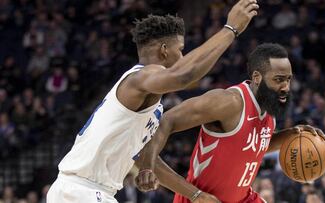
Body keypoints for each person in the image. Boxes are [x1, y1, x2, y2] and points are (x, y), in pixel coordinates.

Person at [46, 0, 260, 202]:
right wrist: (230, 29)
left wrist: (195, 195)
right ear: (164, 50)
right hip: (83, 191)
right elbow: (184, 76)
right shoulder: (139, 78)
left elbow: (142, 157)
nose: (183, 57)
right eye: (181, 50)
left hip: (84, 190)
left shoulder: (148, 98)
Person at [135, 43, 325, 203]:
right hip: (202, 199)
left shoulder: (269, 108)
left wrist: (293, 134)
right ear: (257, 77)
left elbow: (248, 146)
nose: (285, 87)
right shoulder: (229, 102)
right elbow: (167, 121)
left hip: (242, 199)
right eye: (279, 80)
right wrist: (148, 167)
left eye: (288, 80)